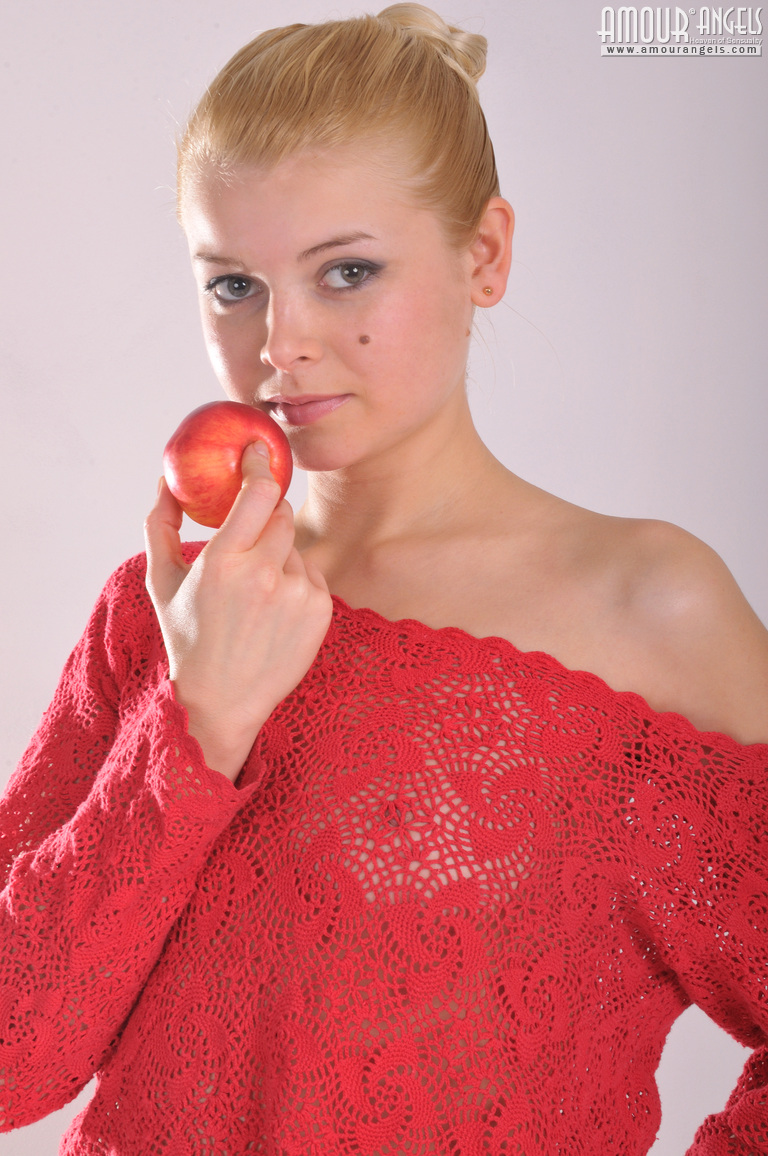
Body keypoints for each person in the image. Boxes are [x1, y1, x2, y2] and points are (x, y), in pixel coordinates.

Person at [1, 4, 766, 1153]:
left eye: (346, 271)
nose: (280, 343)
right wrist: (196, 722)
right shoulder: (162, 613)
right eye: (233, 285)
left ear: (485, 254)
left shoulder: (648, 608)